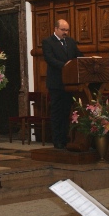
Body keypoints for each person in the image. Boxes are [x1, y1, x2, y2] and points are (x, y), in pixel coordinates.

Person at [42, 19, 83, 149]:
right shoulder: (48, 42)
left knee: (66, 112)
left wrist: (86, 60)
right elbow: (49, 59)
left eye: (67, 30)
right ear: (56, 29)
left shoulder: (70, 42)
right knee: (57, 113)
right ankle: (57, 140)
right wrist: (65, 65)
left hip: (70, 83)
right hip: (56, 83)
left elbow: (78, 55)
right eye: (63, 30)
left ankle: (65, 138)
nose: (65, 32)